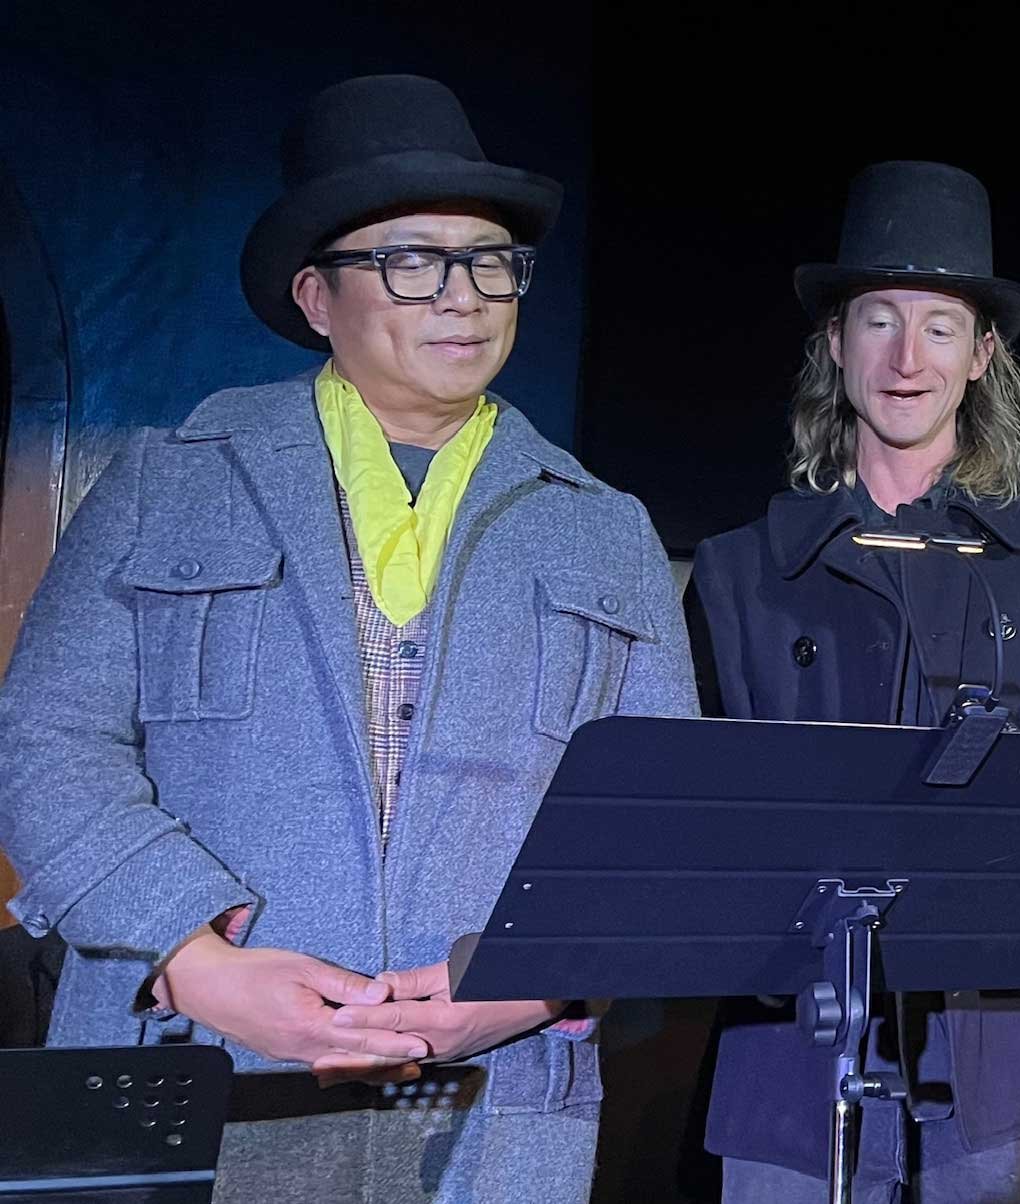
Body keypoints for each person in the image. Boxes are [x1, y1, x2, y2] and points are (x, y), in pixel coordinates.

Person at [0, 74, 696, 1202]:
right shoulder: (168, 482)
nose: (461, 296)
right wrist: (193, 960)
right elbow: (46, 740)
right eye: (411, 260)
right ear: (317, 298)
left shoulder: (602, 527)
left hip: (491, 1094)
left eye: (489, 262)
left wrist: (529, 984)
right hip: (201, 1071)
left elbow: (660, 818)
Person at [686, 160, 1020, 1203]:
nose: (905, 359)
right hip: (790, 1070)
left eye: (939, 325)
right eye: (877, 319)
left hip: (1015, 1067)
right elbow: (691, 816)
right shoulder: (737, 570)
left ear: (981, 354)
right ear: (832, 342)